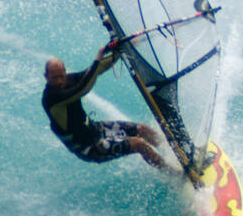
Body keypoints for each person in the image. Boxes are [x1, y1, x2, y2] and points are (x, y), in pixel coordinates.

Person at [42, 42, 167, 170]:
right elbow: (83, 88)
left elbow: (97, 70)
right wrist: (98, 58)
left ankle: (171, 150)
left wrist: (119, 50)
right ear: (46, 77)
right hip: (88, 147)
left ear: (65, 73)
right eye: (54, 78)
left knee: (142, 129)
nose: (59, 81)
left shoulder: (68, 80)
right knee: (138, 144)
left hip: (94, 129)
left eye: (61, 76)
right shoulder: (51, 98)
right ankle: (176, 174)